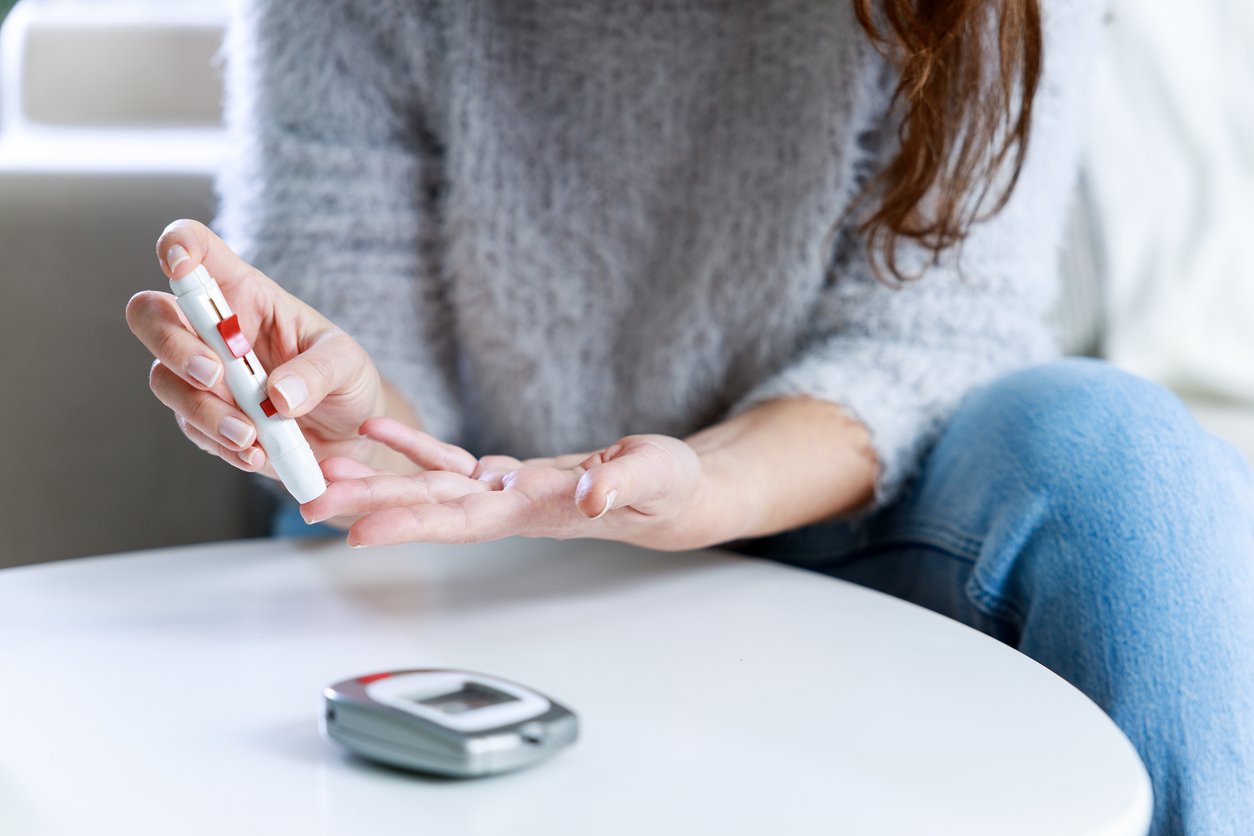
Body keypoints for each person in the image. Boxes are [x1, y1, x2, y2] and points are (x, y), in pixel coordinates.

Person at [125, 2, 1254, 832]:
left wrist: (703, 485)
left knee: (1136, 467)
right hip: (459, 548)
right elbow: (363, 362)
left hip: (841, 511)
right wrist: (346, 427)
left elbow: (934, 333)